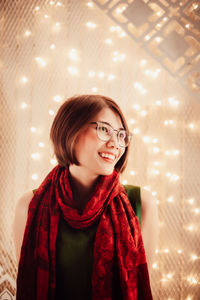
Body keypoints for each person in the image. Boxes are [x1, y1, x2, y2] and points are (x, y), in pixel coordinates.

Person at [13, 94, 158, 300]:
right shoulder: (29, 205)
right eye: (103, 130)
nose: (115, 143)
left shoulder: (141, 203)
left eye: (121, 135)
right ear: (69, 130)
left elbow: (138, 287)